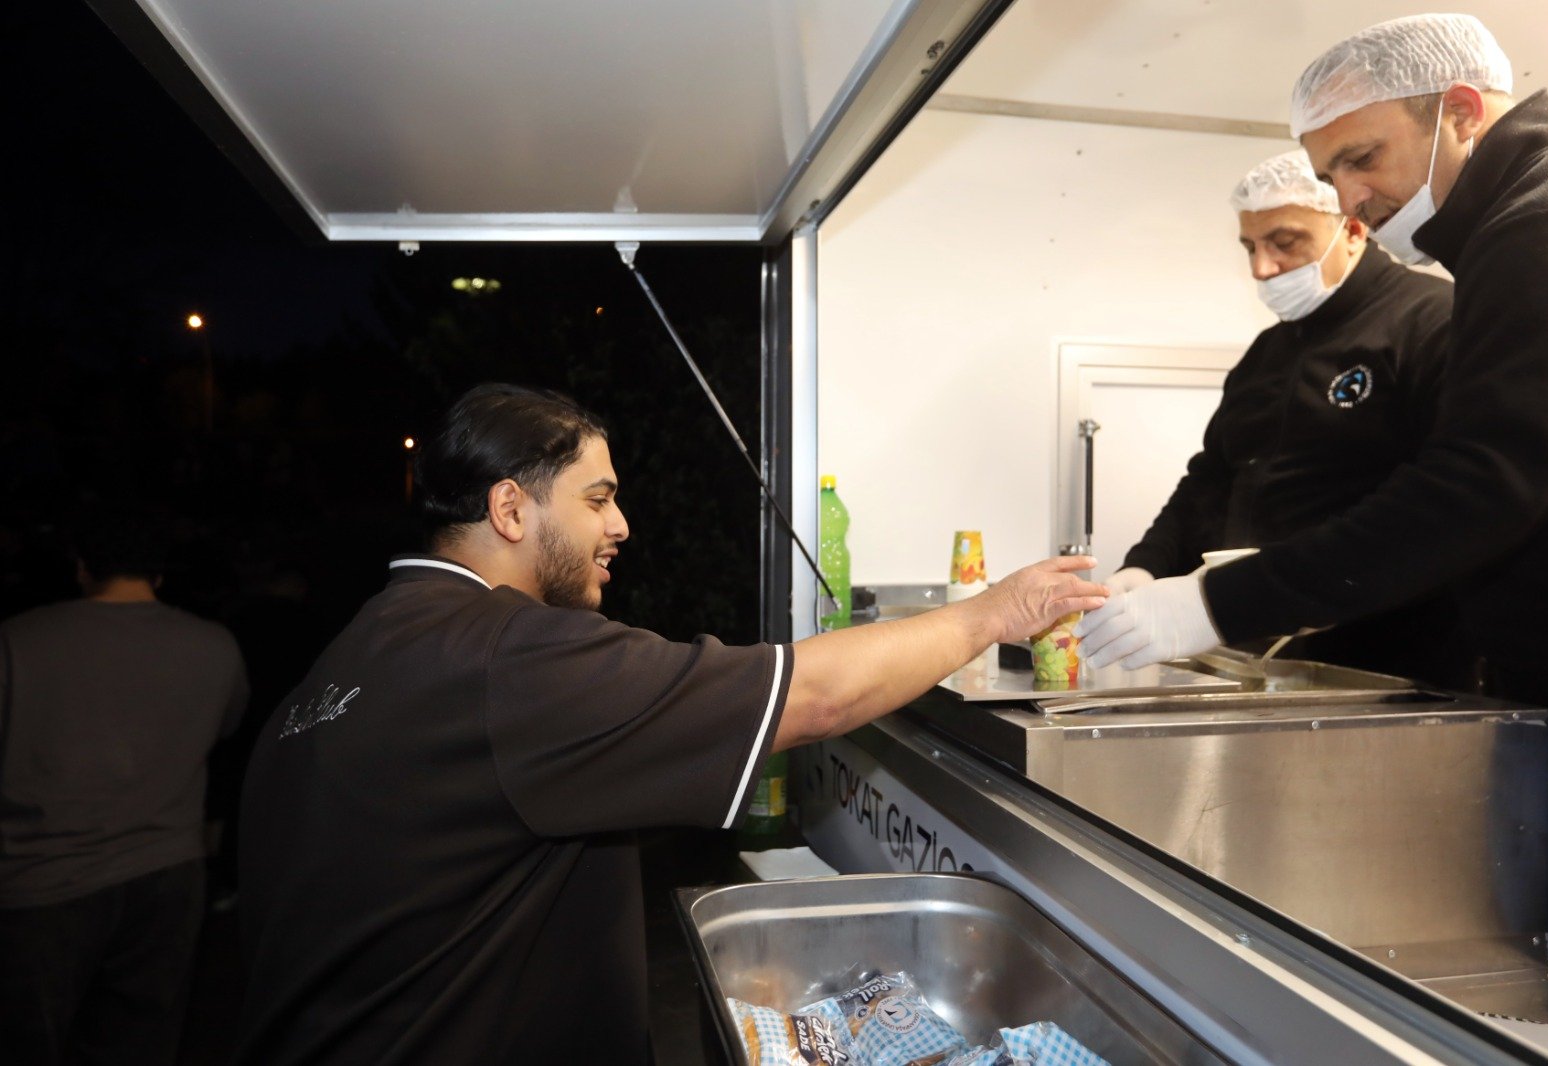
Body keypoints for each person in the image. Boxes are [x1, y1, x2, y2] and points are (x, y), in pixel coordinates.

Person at [233, 383, 1107, 1064]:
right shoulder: (507, 656)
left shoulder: (358, 648)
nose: (622, 525)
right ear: (509, 510)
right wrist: (989, 615)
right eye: (597, 499)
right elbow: (810, 697)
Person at [1079, 13, 1548, 986]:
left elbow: (1483, 483)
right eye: (1331, 174)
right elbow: (1209, 480)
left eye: (1361, 159)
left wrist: (1213, 602)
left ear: (1460, 113)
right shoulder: (1509, 231)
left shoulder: (1544, 225)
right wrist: (1146, 573)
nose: (1353, 195)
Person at [1107, 148, 1468, 685]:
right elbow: (1210, 478)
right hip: (1252, 649)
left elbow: (1443, 503)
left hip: (1387, 665)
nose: (1261, 267)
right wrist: (1145, 566)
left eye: (1285, 241)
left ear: (1352, 230)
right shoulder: (1265, 352)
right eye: (1250, 246)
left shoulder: (1431, 323)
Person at [0, 505, 250, 1064]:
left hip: (41, 881)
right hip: (167, 875)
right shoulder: (215, 645)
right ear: (158, 573)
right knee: (141, 1044)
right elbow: (226, 728)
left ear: (82, 567)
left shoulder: (19, 640)